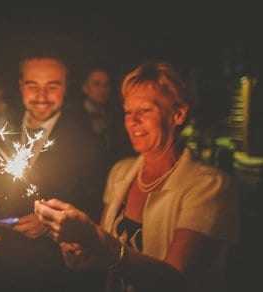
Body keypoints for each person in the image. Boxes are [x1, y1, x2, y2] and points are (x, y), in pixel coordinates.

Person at [34, 62, 239, 291]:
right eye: (128, 111)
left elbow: (173, 281)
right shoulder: (121, 172)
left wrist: (93, 237)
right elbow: (106, 258)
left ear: (178, 114)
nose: (133, 121)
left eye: (146, 110)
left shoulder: (210, 186)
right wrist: (82, 250)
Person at [0, 54, 106, 291]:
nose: (41, 96)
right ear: (21, 86)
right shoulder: (5, 127)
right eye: (33, 85)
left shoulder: (86, 140)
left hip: (52, 272)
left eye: (52, 86)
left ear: (66, 87)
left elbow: (96, 203)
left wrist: (51, 224)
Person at [81, 68, 133, 166]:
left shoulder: (117, 116)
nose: (102, 90)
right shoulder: (74, 118)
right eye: (97, 84)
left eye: (106, 85)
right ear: (85, 88)